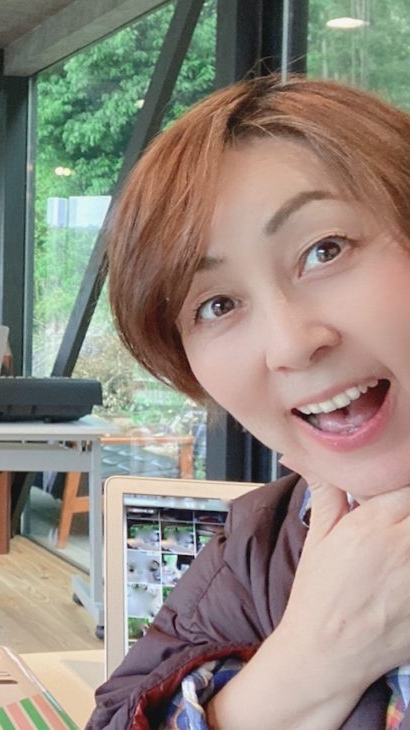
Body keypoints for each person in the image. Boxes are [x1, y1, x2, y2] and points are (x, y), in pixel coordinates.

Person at [86, 74, 410, 729]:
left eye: (325, 250)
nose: (290, 344)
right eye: (218, 304)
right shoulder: (259, 546)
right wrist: (315, 659)